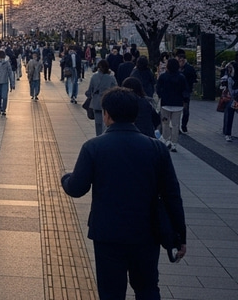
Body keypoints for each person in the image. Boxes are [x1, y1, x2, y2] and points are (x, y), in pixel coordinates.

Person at [62, 87, 186, 300]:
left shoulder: (94, 147)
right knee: (147, 288)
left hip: (108, 233)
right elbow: (172, 195)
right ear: (135, 114)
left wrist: (65, 179)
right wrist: (180, 236)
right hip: (147, 232)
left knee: (111, 292)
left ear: (107, 114)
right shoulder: (156, 149)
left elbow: (77, 188)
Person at [156, 57, 188, 152]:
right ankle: (174, 143)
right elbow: (185, 90)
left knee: (165, 123)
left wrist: (161, 96)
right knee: (175, 125)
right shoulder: (181, 77)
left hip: (165, 104)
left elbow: (158, 89)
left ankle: (166, 140)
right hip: (178, 105)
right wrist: (185, 100)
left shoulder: (163, 77)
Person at [85, 60, 118, 136]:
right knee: (107, 124)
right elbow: (116, 89)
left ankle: (99, 137)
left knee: (98, 124)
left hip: (96, 103)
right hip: (108, 103)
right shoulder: (111, 78)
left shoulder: (94, 77)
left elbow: (89, 91)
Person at [175, 49, 198, 134]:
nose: (180, 62)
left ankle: (184, 125)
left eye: (182, 60)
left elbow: (194, 78)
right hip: (177, 92)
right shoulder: (176, 68)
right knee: (177, 110)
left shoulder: (189, 68)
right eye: (179, 60)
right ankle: (176, 127)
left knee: (185, 110)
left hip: (185, 92)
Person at [0, 49, 15, 115]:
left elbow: (10, 72)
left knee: (4, 96)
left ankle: (4, 109)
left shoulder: (7, 62)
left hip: (5, 82)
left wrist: (12, 83)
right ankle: (0, 108)